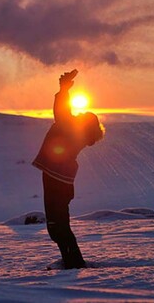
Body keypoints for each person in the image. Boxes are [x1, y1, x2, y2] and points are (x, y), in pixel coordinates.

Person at [32, 69, 105, 269]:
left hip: (57, 180)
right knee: (59, 226)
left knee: (58, 227)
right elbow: (65, 114)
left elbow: (62, 112)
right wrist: (63, 91)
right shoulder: (75, 132)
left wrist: (63, 90)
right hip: (60, 180)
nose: (77, 114)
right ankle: (72, 260)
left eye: (81, 114)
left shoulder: (71, 130)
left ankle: (74, 263)